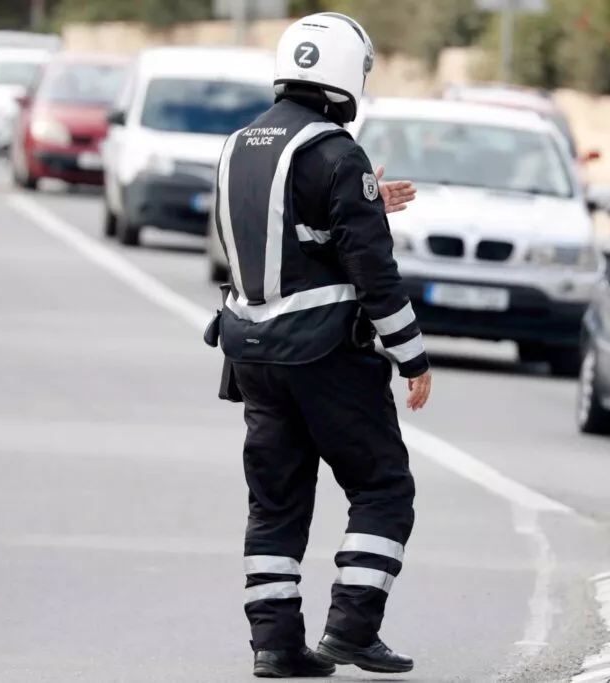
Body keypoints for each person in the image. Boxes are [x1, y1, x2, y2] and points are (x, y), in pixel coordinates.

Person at [209, 11, 433, 679]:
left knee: (275, 502)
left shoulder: (240, 144)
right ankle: (352, 626)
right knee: (383, 486)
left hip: (252, 355)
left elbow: (290, 233)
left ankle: (275, 646)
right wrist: (412, 355)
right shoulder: (336, 152)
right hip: (325, 355)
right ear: (344, 75)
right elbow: (373, 270)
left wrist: (367, 201)